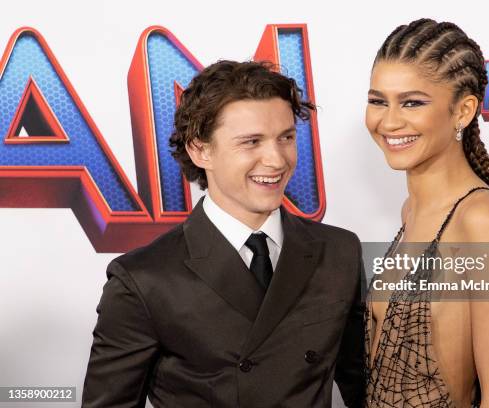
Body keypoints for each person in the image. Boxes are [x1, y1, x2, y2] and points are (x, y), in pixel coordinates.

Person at [82, 60, 365, 408]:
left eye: (286, 138)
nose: (276, 160)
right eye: (251, 142)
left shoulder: (338, 252)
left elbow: (367, 389)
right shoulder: (143, 279)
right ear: (200, 150)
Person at [363, 19, 489, 407]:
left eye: (412, 102)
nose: (388, 121)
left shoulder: (481, 217)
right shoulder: (412, 210)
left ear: (463, 110)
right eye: (377, 101)